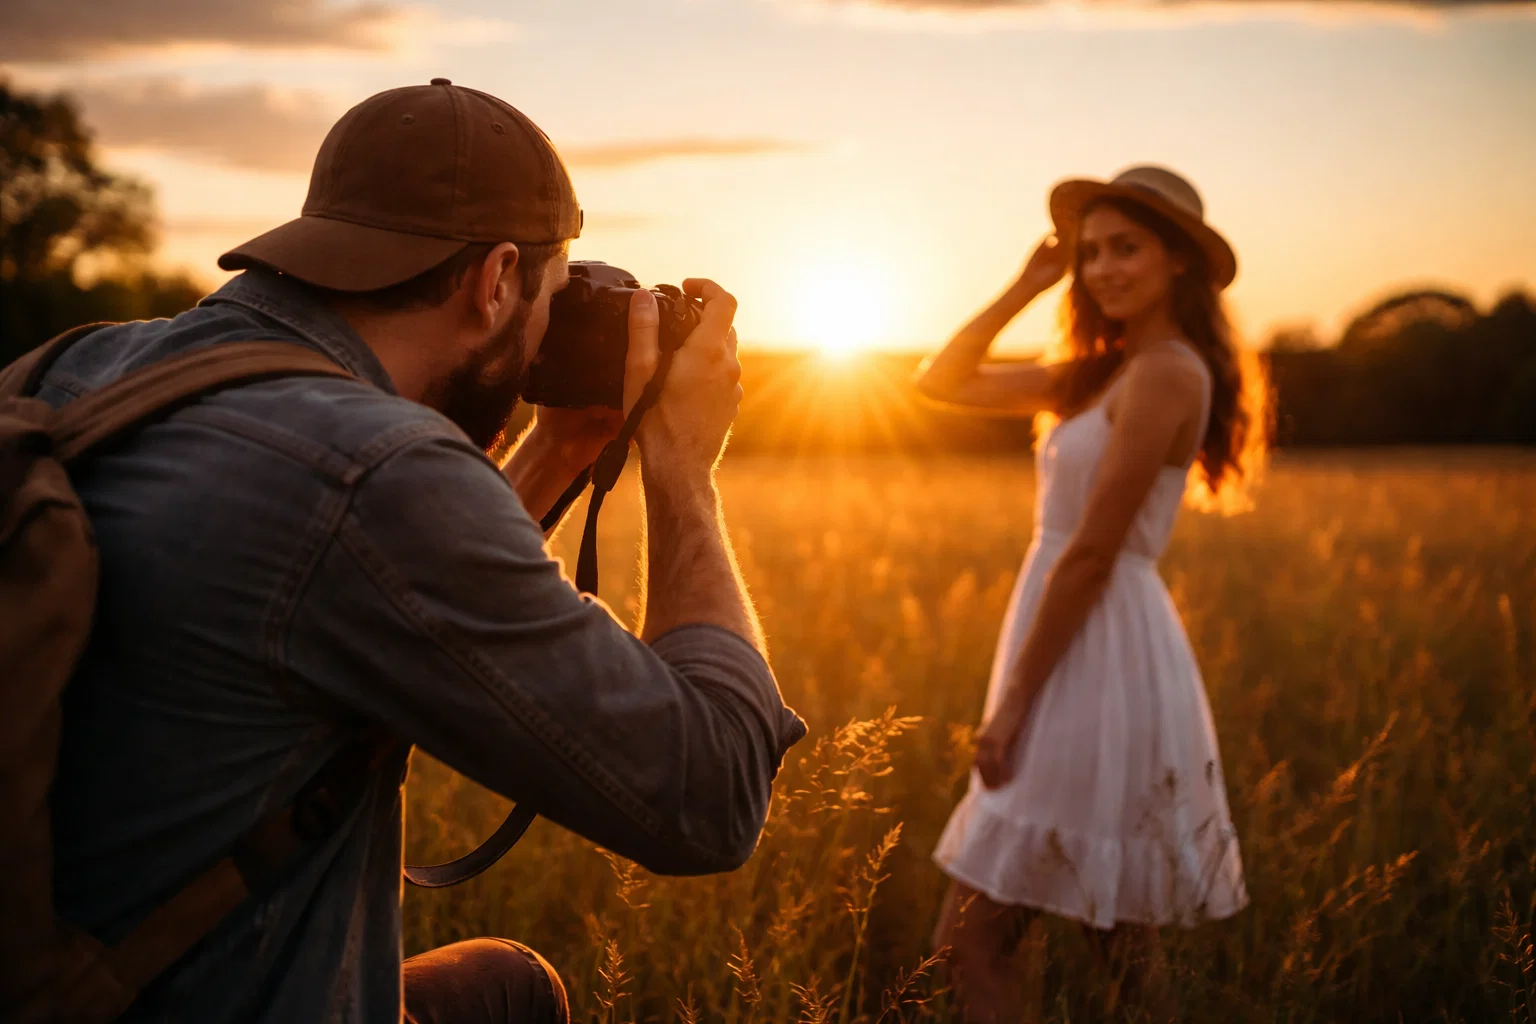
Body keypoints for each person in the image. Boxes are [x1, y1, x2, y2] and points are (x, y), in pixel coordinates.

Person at [39, 80, 806, 1023]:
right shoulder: (371, 473)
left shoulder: (81, 366)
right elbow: (712, 793)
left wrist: (561, 446)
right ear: (494, 284)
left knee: (502, 986)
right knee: (518, 993)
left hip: (53, 972)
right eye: (549, 297)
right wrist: (685, 467)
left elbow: (396, 601)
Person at [915, 165, 1264, 1020]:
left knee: (970, 941)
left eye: (1127, 249)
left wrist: (1013, 707)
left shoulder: (1168, 374)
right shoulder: (1102, 370)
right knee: (1120, 954)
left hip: (1091, 652)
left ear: (1177, 261)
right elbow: (941, 380)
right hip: (1078, 641)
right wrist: (1030, 282)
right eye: (1092, 251)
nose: (1103, 268)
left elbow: (1092, 554)